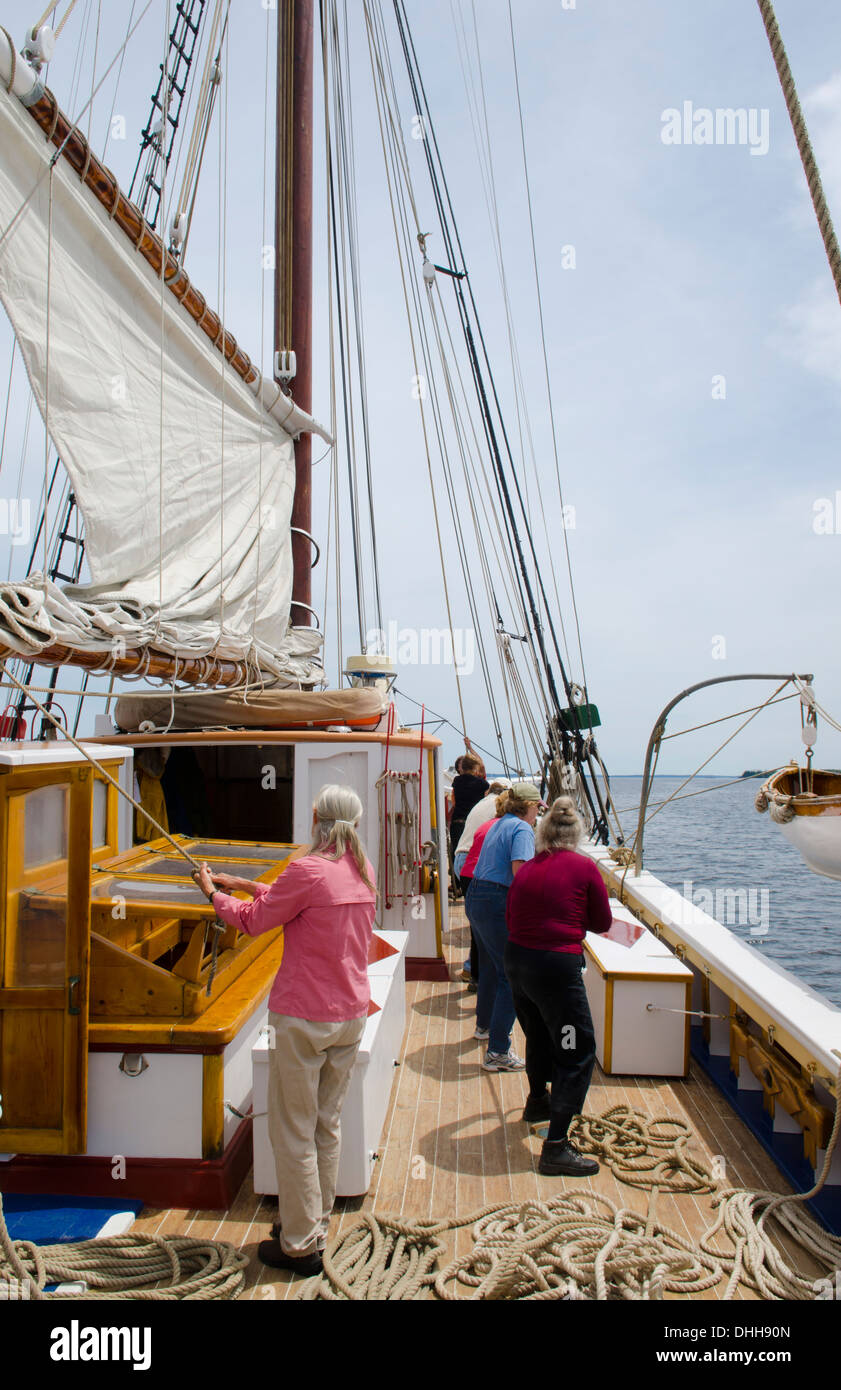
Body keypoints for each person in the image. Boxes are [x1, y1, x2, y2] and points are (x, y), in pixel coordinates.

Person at [194, 785, 376, 1275]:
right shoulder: (361, 868)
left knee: (293, 1131)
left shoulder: (307, 869)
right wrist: (247, 882)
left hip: (305, 1019)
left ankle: (298, 1245)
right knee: (325, 1125)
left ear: (315, 817)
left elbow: (255, 924)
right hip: (350, 1015)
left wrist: (213, 893)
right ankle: (312, 1223)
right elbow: (295, 901)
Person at [504, 795, 613, 1178]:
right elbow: (602, 923)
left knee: (538, 1035)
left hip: (518, 963)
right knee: (575, 1048)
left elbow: (513, 914)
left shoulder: (529, 869)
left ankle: (537, 1101)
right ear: (577, 835)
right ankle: (555, 1148)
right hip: (555, 970)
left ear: (544, 834)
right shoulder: (584, 869)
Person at [467, 781, 541, 1071]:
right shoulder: (522, 828)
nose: (537, 814)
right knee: (512, 977)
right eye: (537, 808)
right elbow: (520, 873)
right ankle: (497, 1051)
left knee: (490, 968)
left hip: (477, 896)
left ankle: (484, 1026)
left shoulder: (499, 823)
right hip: (497, 900)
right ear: (530, 807)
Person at [453, 779, 509, 986]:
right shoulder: (498, 810)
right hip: (472, 860)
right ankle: (477, 971)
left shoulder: (484, 803)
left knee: (478, 921)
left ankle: (474, 971)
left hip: (463, 860)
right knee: (484, 924)